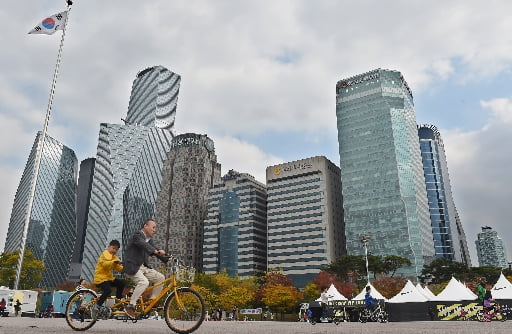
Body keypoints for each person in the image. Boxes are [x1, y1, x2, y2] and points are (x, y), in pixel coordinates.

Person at [123, 219, 170, 318]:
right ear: (145, 226)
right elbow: (144, 245)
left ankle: (151, 303)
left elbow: (155, 250)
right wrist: (155, 251)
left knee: (160, 278)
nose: (154, 230)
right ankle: (130, 306)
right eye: (153, 227)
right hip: (132, 266)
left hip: (142, 267)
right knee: (144, 282)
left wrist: (168, 258)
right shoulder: (137, 235)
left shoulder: (149, 240)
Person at [92, 239, 126, 319]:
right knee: (108, 290)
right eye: (113, 248)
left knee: (121, 284)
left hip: (108, 278)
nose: (114, 250)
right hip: (100, 279)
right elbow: (105, 265)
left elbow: (119, 268)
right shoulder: (104, 254)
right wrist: (114, 262)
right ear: (109, 247)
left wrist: (126, 267)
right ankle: (97, 305)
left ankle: (118, 301)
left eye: (116, 249)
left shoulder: (114, 258)